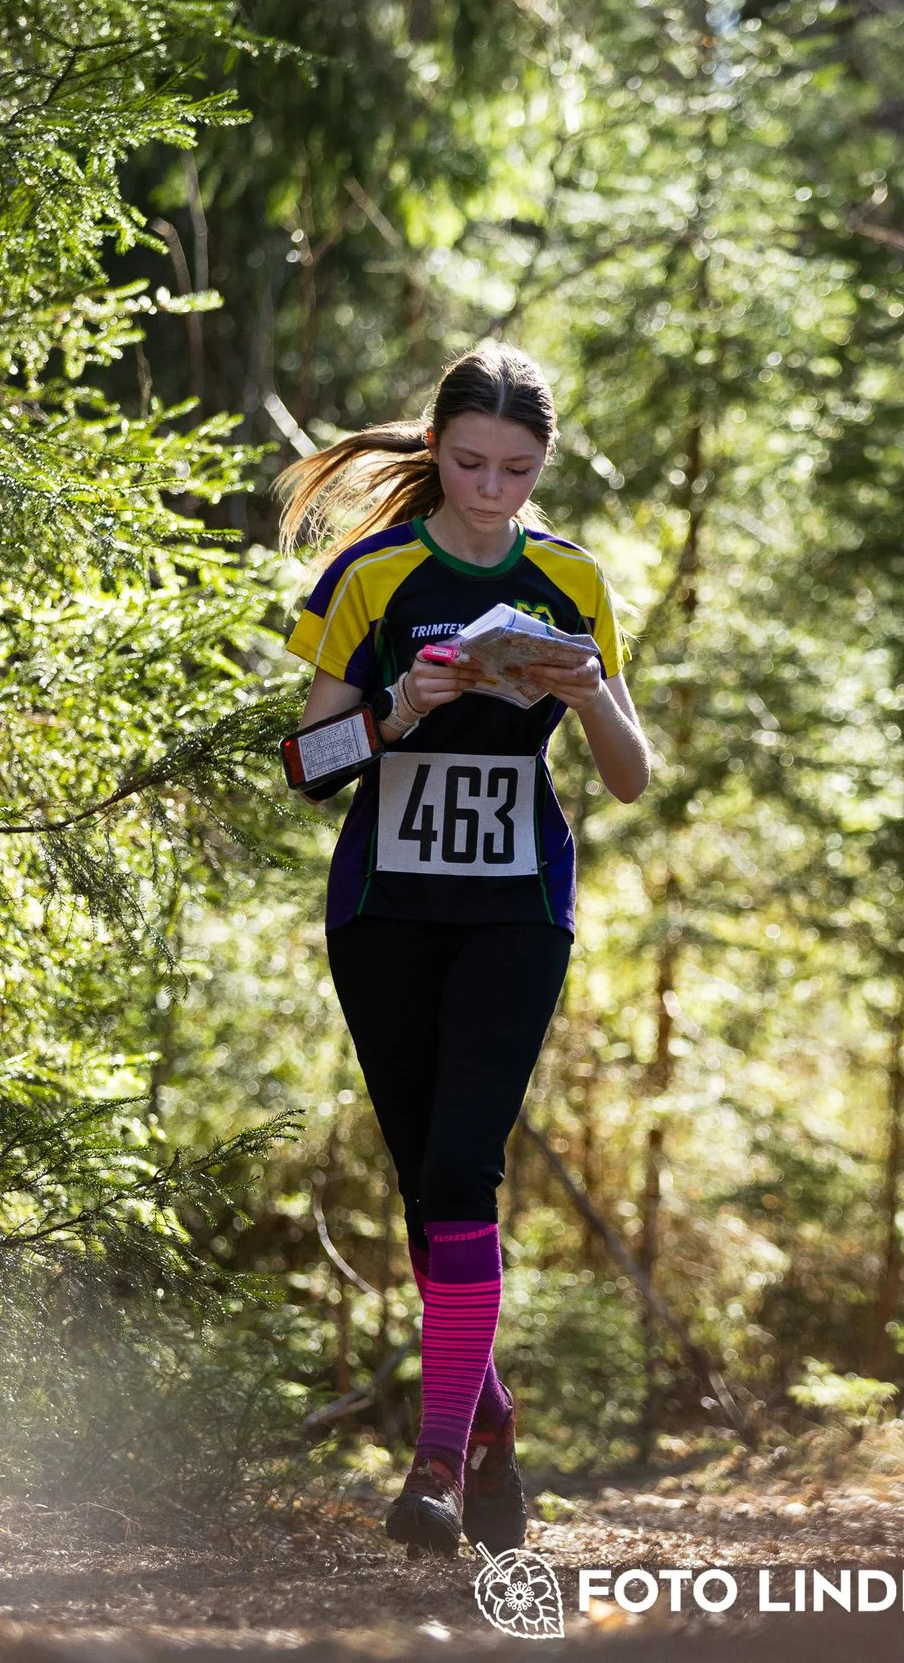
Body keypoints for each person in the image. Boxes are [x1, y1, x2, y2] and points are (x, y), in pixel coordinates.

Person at [278, 344, 651, 1555]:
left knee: (461, 1171)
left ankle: (433, 1461)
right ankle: (487, 1437)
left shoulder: (568, 577)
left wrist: (588, 688)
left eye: (518, 469)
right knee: (424, 1188)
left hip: (513, 908)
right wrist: (396, 715)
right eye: (470, 462)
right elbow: (302, 769)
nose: (492, 491)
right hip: (383, 910)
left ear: (543, 465)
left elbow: (631, 776)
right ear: (435, 447)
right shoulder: (373, 575)